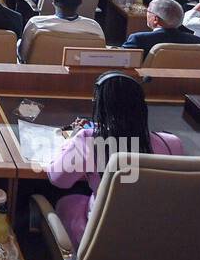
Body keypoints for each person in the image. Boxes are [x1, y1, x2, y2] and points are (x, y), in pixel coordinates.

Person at [46, 72, 183, 245]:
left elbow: (58, 180)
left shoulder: (89, 140)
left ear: (99, 106)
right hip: (152, 238)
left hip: (99, 239)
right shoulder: (172, 144)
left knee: (67, 201)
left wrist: (71, 142)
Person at [18, 0, 104, 61]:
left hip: (40, 75)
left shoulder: (36, 23)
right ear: (80, 3)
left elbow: (23, 55)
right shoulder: (94, 27)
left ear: (53, 1)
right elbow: (101, 57)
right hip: (80, 76)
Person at [122, 0, 200, 54]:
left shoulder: (138, 40)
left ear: (155, 19)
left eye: (148, 11)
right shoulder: (198, 42)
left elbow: (120, 60)